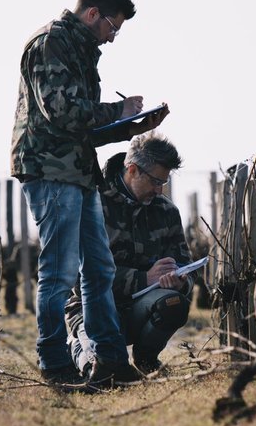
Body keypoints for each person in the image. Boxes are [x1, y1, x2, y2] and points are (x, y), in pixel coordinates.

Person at [11, 0, 170, 389]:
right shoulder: (50, 43)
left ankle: (111, 359)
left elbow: (85, 129)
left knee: (98, 269)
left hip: (80, 171)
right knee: (60, 271)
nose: (113, 38)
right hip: (49, 171)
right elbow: (62, 113)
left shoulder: (83, 52)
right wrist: (117, 108)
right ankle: (54, 363)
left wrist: (132, 127)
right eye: (112, 28)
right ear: (92, 14)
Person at [65, 135, 194, 375]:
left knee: (174, 303)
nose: (159, 190)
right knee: (101, 370)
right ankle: (78, 347)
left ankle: (146, 360)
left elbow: (185, 263)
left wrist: (179, 281)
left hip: (139, 309)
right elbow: (76, 280)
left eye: (163, 182)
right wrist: (143, 279)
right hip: (93, 310)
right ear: (133, 170)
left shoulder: (167, 212)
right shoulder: (90, 205)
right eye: (156, 181)